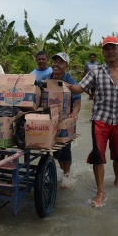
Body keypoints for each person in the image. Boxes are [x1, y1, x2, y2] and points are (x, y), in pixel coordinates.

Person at [66, 36, 118, 207]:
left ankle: (117, 181)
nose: (110, 51)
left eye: (113, 48)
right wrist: (64, 84)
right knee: (98, 154)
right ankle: (100, 192)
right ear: (103, 52)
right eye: (106, 49)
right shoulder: (96, 72)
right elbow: (79, 88)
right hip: (100, 119)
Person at [41, 52, 81, 188]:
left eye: (60, 62)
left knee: (65, 148)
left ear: (66, 66)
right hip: (49, 119)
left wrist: (75, 113)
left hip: (65, 120)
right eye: (55, 61)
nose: (56, 64)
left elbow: (77, 101)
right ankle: (62, 169)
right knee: (55, 150)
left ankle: (67, 175)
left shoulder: (71, 81)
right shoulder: (46, 79)